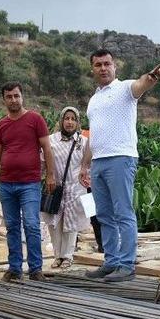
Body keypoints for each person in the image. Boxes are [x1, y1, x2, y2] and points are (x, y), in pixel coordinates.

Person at [79, 49, 160, 282]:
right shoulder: (94, 99)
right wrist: (84, 166)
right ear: (92, 69)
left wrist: (151, 77)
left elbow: (141, 85)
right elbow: (92, 136)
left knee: (123, 213)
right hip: (98, 161)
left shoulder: (125, 88)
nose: (103, 68)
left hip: (121, 158)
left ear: (114, 66)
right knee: (104, 215)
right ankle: (111, 262)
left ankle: (126, 265)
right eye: (98, 64)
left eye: (107, 63)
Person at [0, 82, 55, 281]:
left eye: (16, 96)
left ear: (22, 96)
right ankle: (14, 268)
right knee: (12, 227)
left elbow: (47, 149)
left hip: (30, 183)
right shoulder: (1, 124)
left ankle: (35, 269)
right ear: (4, 99)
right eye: (9, 96)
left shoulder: (35, 119)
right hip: (6, 184)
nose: (13, 100)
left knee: (32, 225)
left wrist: (50, 175)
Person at [41, 107, 90, 269]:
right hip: (54, 186)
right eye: (66, 118)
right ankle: (57, 256)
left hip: (75, 187)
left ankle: (68, 256)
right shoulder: (51, 140)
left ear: (77, 122)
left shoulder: (83, 142)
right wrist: (46, 176)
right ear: (61, 120)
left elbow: (89, 164)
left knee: (72, 222)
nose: (69, 122)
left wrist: (87, 179)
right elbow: (42, 161)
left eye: (73, 119)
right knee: (54, 222)